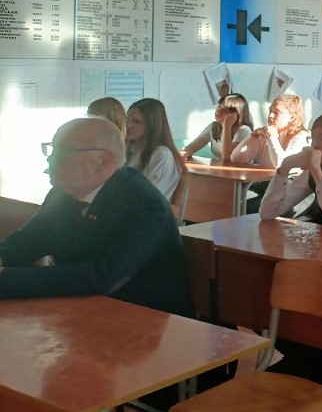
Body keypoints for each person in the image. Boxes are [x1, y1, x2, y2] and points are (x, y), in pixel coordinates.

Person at [0, 117, 192, 316]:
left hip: (147, 319)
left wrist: (5, 278)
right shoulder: (63, 193)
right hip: (80, 310)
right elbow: (27, 242)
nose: (50, 159)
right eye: (52, 149)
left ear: (104, 160)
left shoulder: (144, 204)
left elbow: (105, 277)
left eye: (65, 152)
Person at [125, 98, 185, 201]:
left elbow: (147, 198)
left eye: (137, 121)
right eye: (127, 119)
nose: (128, 125)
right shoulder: (130, 148)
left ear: (152, 125)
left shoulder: (162, 154)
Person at [231, 93, 311, 168]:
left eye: (277, 112)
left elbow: (282, 166)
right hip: (264, 178)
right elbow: (236, 159)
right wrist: (253, 135)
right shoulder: (265, 133)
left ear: (292, 117)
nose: (270, 116)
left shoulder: (302, 136)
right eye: (270, 111)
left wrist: (272, 138)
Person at [181, 92, 254, 163]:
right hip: (224, 169)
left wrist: (227, 127)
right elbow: (193, 147)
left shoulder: (243, 130)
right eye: (219, 106)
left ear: (235, 115)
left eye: (225, 110)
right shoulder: (214, 127)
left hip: (242, 170)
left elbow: (227, 157)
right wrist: (184, 153)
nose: (218, 111)